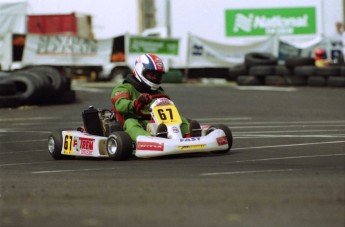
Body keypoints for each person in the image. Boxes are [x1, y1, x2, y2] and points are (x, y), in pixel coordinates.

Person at [111, 53, 194, 141]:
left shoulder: (158, 91)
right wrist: (136, 103)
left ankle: (189, 136)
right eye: (151, 74)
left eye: (157, 75)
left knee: (181, 120)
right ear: (140, 70)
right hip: (136, 121)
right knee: (130, 123)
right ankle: (149, 140)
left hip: (156, 122)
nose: (154, 78)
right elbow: (120, 105)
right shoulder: (124, 87)